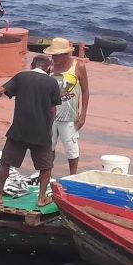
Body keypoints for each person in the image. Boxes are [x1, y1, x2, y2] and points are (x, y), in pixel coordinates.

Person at [0, 53, 63, 207]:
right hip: (41, 132)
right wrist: (48, 128)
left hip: (18, 129)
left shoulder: (21, 77)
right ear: (47, 68)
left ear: (32, 65)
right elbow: (53, 110)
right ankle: (42, 197)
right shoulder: (52, 83)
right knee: (46, 166)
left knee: (5, 162)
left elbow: (0, 91)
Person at [46, 37, 90, 175]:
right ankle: (47, 174)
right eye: (53, 54)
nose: (54, 57)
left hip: (69, 116)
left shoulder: (78, 66)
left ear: (66, 54)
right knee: (48, 147)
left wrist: (82, 115)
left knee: (71, 148)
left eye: (57, 55)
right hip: (50, 115)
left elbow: (85, 91)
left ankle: (73, 176)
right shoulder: (49, 67)